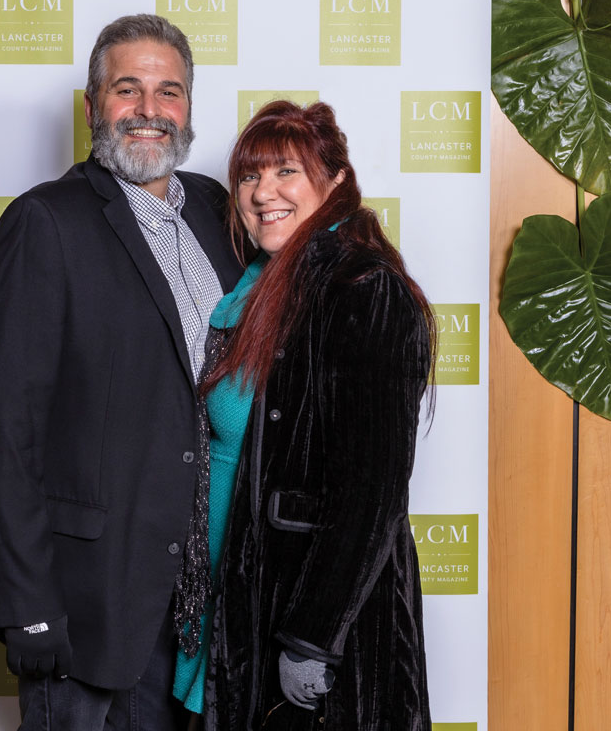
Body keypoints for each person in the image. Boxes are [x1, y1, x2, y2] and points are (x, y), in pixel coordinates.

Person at [0, 14, 242, 730]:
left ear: (188, 107)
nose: (150, 109)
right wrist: (25, 605)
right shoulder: (44, 223)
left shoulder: (218, 213)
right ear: (93, 106)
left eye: (168, 91)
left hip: (202, 600)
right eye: (127, 89)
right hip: (89, 603)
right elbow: (2, 430)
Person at [171, 100, 436, 730]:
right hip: (233, 601)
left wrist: (312, 639)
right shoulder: (256, 285)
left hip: (305, 616)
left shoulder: (362, 288)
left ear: (336, 180)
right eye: (250, 176)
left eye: (286, 171)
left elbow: (372, 490)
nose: (263, 193)